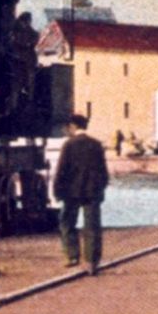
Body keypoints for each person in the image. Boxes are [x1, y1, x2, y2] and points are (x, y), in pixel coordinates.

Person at [51, 114, 109, 275]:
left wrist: (57, 191)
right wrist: (101, 189)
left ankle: (72, 256)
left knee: (67, 222)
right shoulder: (96, 145)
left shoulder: (69, 145)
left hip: (72, 192)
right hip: (93, 192)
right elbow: (103, 172)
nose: (65, 130)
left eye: (66, 127)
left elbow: (61, 170)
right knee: (92, 226)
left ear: (72, 126)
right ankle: (91, 262)